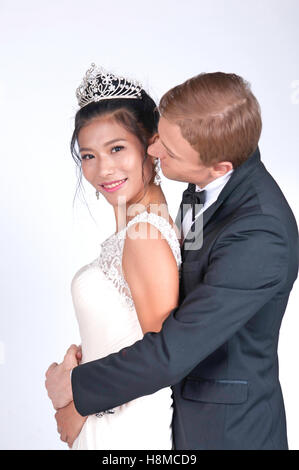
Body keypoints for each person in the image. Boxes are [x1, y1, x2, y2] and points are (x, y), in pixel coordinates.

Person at [46, 70, 299, 450]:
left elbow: (171, 349)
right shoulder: (204, 183)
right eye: (159, 134)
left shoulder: (261, 235)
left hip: (223, 433)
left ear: (220, 166)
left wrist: (76, 392)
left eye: (167, 149)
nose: (153, 149)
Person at [46, 63, 182, 449]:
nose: (103, 168)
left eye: (117, 148)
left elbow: (162, 362)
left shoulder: (143, 234)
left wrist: (78, 403)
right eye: (88, 155)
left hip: (129, 432)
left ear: (151, 146)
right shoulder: (135, 227)